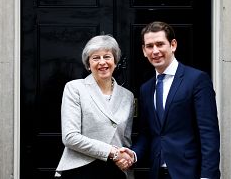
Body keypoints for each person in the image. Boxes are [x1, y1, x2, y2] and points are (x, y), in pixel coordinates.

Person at [119, 21, 221, 179]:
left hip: (189, 173)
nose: (155, 51)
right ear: (144, 51)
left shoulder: (197, 80)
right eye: (150, 46)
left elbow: (208, 133)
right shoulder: (146, 88)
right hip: (156, 173)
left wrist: (208, 176)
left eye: (160, 44)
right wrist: (133, 155)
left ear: (173, 45)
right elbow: (147, 134)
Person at [55, 35, 135, 179]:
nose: (102, 62)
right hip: (81, 170)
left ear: (115, 61)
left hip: (115, 172)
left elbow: (126, 141)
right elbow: (70, 137)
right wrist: (112, 152)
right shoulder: (75, 88)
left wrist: (126, 160)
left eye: (107, 57)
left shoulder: (127, 96)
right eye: (96, 58)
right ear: (88, 63)